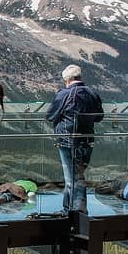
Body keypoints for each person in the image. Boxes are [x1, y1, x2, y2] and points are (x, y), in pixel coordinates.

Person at [46, 65, 103, 213]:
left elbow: (50, 115)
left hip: (68, 140)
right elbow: (99, 117)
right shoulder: (92, 93)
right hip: (88, 140)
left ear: (67, 79)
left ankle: (75, 213)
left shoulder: (64, 94)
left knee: (72, 179)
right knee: (78, 176)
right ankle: (72, 210)